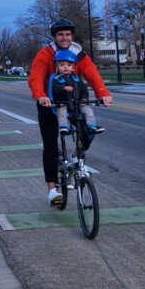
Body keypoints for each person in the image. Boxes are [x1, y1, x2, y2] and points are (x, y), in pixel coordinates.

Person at [29, 19, 112, 205]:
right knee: (50, 145)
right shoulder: (45, 54)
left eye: (67, 35)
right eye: (60, 35)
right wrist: (41, 96)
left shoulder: (79, 55)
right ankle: (52, 190)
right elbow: (35, 78)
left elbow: (93, 75)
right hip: (48, 103)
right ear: (54, 37)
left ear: (72, 36)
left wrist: (103, 94)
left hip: (72, 102)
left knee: (88, 130)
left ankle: (75, 155)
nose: (64, 38)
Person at [48, 49, 105, 134]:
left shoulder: (76, 78)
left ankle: (92, 125)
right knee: (61, 112)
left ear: (73, 67)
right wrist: (63, 88)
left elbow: (84, 89)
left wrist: (84, 98)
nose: (65, 67)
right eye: (62, 65)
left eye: (69, 65)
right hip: (62, 102)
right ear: (57, 66)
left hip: (77, 102)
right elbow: (54, 88)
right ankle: (64, 126)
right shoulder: (56, 78)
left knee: (88, 110)